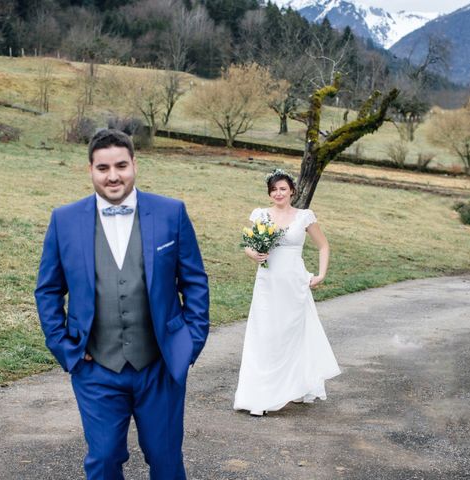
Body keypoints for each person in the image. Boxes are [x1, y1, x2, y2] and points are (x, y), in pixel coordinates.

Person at [35, 129, 209, 479]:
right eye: (103, 168)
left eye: (121, 166)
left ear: (135, 165)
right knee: (103, 459)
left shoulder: (171, 212)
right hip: (96, 368)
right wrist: (65, 348)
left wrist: (188, 343)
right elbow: (48, 290)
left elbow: (194, 282)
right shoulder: (64, 220)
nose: (113, 176)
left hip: (160, 365)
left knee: (165, 460)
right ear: (90, 170)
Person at [234, 168, 341, 416]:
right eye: (274, 189)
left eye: (283, 188)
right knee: (264, 335)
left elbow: (323, 246)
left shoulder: (304, 217)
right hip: (267, 282)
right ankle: (258, 396)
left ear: (292, 191)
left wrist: (321, 274)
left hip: (294, 284)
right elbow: (248, 248)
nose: (278, 193)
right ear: (269, 193)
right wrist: (254, 254)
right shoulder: (261, 215)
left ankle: (292, 386)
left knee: (290, 335)